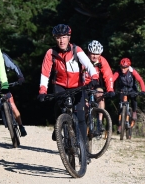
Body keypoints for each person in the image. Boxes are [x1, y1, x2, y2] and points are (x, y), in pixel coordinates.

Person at [37, 24, 99, 162]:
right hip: (59, 85)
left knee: (81, 118)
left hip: (77, 86)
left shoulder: (77, 50)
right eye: (58, 37)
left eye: (64, 37)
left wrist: (94, 77)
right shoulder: (51, 53)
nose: (61, 41)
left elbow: (88, 65)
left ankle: (84, 152)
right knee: (59, 106)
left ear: (69, 38)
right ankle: (59, 125)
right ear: (55, 39)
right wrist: (42, 90)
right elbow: (45, 72)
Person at [84, 40, 115, 130]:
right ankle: (84, 123)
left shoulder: (102, 61)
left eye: (97, 54)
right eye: (92, 53)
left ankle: (100, 122)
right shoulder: (84, 60)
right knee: (85, 105)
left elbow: (108, 75)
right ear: (89, 52)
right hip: (84, 85)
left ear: (100, 54)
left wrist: (110, 89)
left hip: (96, 84)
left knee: (101, 96)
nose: (94, 56)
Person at [113, 57, 145, 136]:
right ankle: (120, 125)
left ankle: (134, 112)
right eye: (122, 67)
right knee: (120, 106)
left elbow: (140, 80)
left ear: (128, 67)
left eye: (124, 68)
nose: (123, 69)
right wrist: (111, 89)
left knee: (133, 99)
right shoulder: (118, 72)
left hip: (132, 89)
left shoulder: (132, 71)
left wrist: (143, 90)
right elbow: (112, 79)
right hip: (122, 89)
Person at [0, 53, 27, 136]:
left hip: (3, 85)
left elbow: (14, 66)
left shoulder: (2, 56)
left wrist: (20, 77)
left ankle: (21, 126)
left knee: (12, 104)